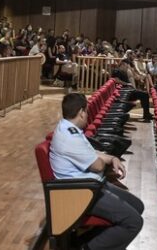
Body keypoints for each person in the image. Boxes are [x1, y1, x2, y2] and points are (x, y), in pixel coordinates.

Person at [49, 93, 144, 249]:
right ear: (81, 112)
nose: (88, 115)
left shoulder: (69, 128)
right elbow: (98, 165)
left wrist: (112, 158)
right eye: (87, 111)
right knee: (133, 222)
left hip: (91, 185)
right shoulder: (69, 137)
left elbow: (93, 154)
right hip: (80, 192)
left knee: (137, 206)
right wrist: (103, 160)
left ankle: (84, 244)